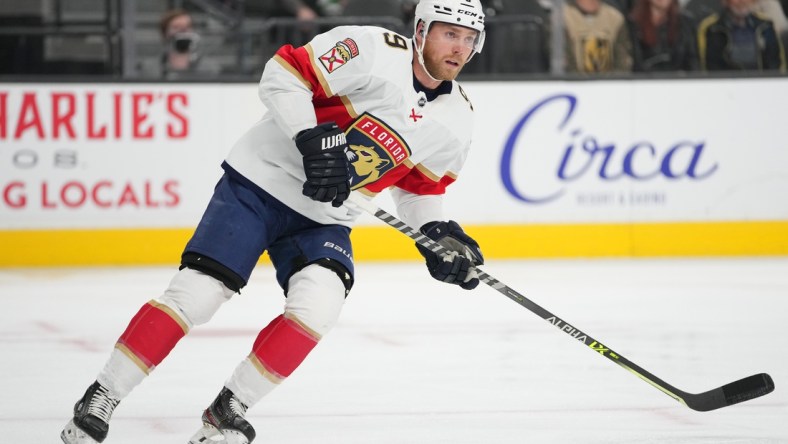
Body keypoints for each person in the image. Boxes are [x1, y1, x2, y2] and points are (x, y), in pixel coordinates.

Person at [60, 0, 486, 443]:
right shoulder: (371, 48)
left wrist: (438, 235)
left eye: (469, 38)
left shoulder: (458, 119)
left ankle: (229, 410)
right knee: (199, 293)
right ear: (420, 31)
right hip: (260, 182)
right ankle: (103, 394)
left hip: (325, 216)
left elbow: (420, 189)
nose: (458, 47)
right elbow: (283, 73)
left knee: (319, 306)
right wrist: (311, 138)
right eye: (448, 33)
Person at [697, 0, 786, 71]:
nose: (742, 1)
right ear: (725, 1)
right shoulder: (712, 28)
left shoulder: (765, 25)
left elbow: (776, 64)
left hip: (762, 85)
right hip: (725, 86)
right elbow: (708, 67)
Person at [563, 0, 635, 73]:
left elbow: (622, 62)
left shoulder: (615, 18)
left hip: (608, 81)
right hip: (573, 81)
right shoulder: (562, 18)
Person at [629, 0, 699, 71]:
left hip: (679, 80)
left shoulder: (686, 23)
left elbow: (692, 63)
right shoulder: (632, 25)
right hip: (643, 80)